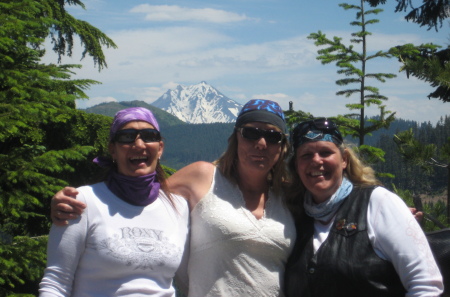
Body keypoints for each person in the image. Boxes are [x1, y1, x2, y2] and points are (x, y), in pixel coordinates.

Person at [50, 99, 297, 296]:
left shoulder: (290, 197)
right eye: (251, 133)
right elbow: (140, 193)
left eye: (273, 136)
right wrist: (65, 202)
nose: (261, 143)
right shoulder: (201, 178)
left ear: (282, 146)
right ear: (236, 137)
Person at [284, 118, 443, 297]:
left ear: (344, 160)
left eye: (325, 152)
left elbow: (426, 285)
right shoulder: (293, 216)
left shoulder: (378, 203)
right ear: (296, 166)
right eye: (306, 155)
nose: (316, 161)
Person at [39, 107, 190, 297]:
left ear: (160, 148)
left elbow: (190, 279)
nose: (139, 144)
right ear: (113, 149)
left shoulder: (178, 207)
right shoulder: (83, 202)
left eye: (149, 136)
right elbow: (56, 283)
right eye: (127, 137)